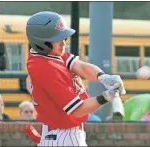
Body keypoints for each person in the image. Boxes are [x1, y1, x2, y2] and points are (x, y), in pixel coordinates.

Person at [26, 11, 126, 146]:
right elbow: (77, 110)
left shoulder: (49, 54)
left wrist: (103, 77)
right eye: (58, 39)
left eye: (63, 38)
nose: (63, 43)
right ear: (43, 43)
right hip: (64, 137)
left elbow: (80, 67)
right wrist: (107, 96)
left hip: (60, 134)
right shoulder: (46, 69)